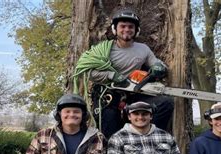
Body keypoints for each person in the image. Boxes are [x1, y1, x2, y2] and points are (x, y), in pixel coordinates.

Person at [75, 8, 174, 138]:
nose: (127, 29)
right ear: (115, 29)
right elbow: (88, 72)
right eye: (122, 26)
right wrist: (112, 76)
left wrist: (158, 67)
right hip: (109, 95)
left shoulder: (143, 49)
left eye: (130, 27)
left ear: (136, 30)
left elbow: (154, 62)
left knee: (165, 103)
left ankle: (149, 138)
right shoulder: (104, 49)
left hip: (134, 93)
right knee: (110, 126)